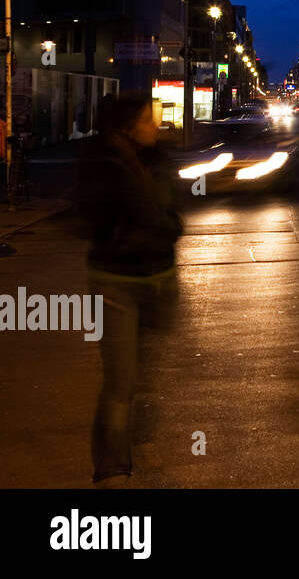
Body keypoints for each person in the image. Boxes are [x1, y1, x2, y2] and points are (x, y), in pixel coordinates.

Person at [75, 93, 183, 485]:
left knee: (136, 377)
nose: (155, 126)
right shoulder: (105, 162)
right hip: (117, 284)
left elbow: (170, 211)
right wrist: (140, 235)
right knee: (120, 383)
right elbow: (95, 218)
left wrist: (168, 229)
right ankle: (112, 472)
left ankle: (127, 444)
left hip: (156, 281)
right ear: (127, 126)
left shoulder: (156, 157)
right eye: (146, 120)